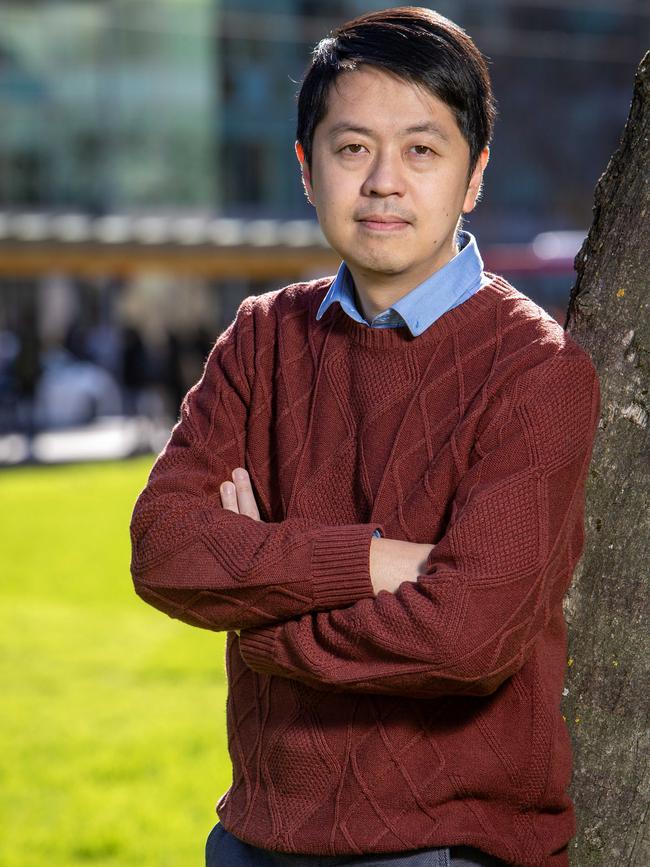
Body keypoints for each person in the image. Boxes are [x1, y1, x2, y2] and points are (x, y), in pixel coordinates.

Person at [130, 7, 600, 866]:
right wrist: (379, 562)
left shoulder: (538, 370)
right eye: (353, 150)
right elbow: (163, 548)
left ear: (474, 175)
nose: (384, 181)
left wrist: (258, 609)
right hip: (252, 835)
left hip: (447, 848)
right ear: (308, 171)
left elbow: (468, 638)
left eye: (422, 150)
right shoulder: (263, 336)